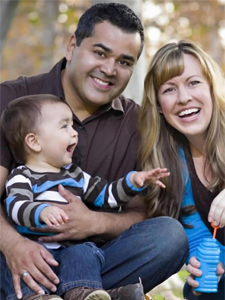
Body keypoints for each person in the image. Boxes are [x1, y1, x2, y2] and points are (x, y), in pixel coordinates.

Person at [0, 3, 189, 300]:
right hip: (15, 256)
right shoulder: (14, 101)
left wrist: (93, 223)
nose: (109, 69)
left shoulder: (139, 124)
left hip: (90, 260)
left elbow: (141, 214)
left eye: (125, 62)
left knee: (169, 236)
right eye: (100, 53)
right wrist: (13, 245)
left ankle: (83, 293)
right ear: (72, 46)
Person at [1, 93, 170, 300]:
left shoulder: (75, 175)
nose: (74, 134)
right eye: (65, 127)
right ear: (34, 142)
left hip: (68, 252)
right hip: (35, 251)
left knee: (84, 252)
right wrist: (42, 211)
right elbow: (16, 206)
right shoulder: (21, 175)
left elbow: (107, 195)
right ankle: (34, 297)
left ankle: (81, 292)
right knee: (14, 265)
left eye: (72, 126)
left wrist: (131, 182)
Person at [139, 39, 225, 300]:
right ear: (159, 107)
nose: (184, 98)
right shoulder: (171, 165)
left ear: (211, 87)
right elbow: (199, 236)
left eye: (193, 82)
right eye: (169, 89)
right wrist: (208, 266)